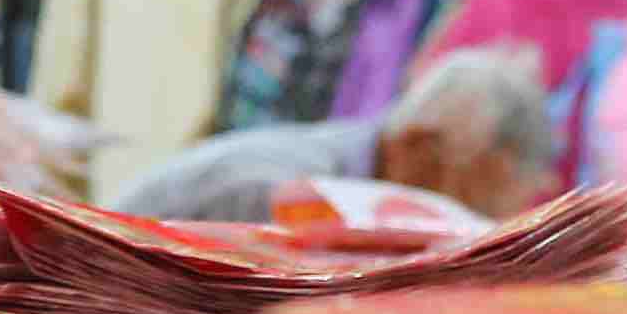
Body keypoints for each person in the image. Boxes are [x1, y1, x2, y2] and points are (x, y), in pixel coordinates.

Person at [108, 42, 559, 223]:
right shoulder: (280, 193)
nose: (462, 222)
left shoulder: (343, 184)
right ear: (420, 145)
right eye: (471, 202)